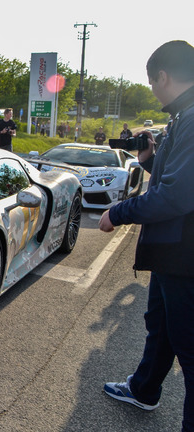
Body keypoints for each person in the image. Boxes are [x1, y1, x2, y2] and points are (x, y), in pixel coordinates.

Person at [99, 40, 194, 432]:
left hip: (184, 252)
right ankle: (144, 388)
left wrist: (116, 213)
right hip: (170, 250)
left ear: (163, 76)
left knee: (189, 347)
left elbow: (175, 196)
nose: (152, 90)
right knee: (161, 324)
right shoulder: (183, 116)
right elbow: (176, 180)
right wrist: (150, 160)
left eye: (151, 82)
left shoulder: (191, 118)